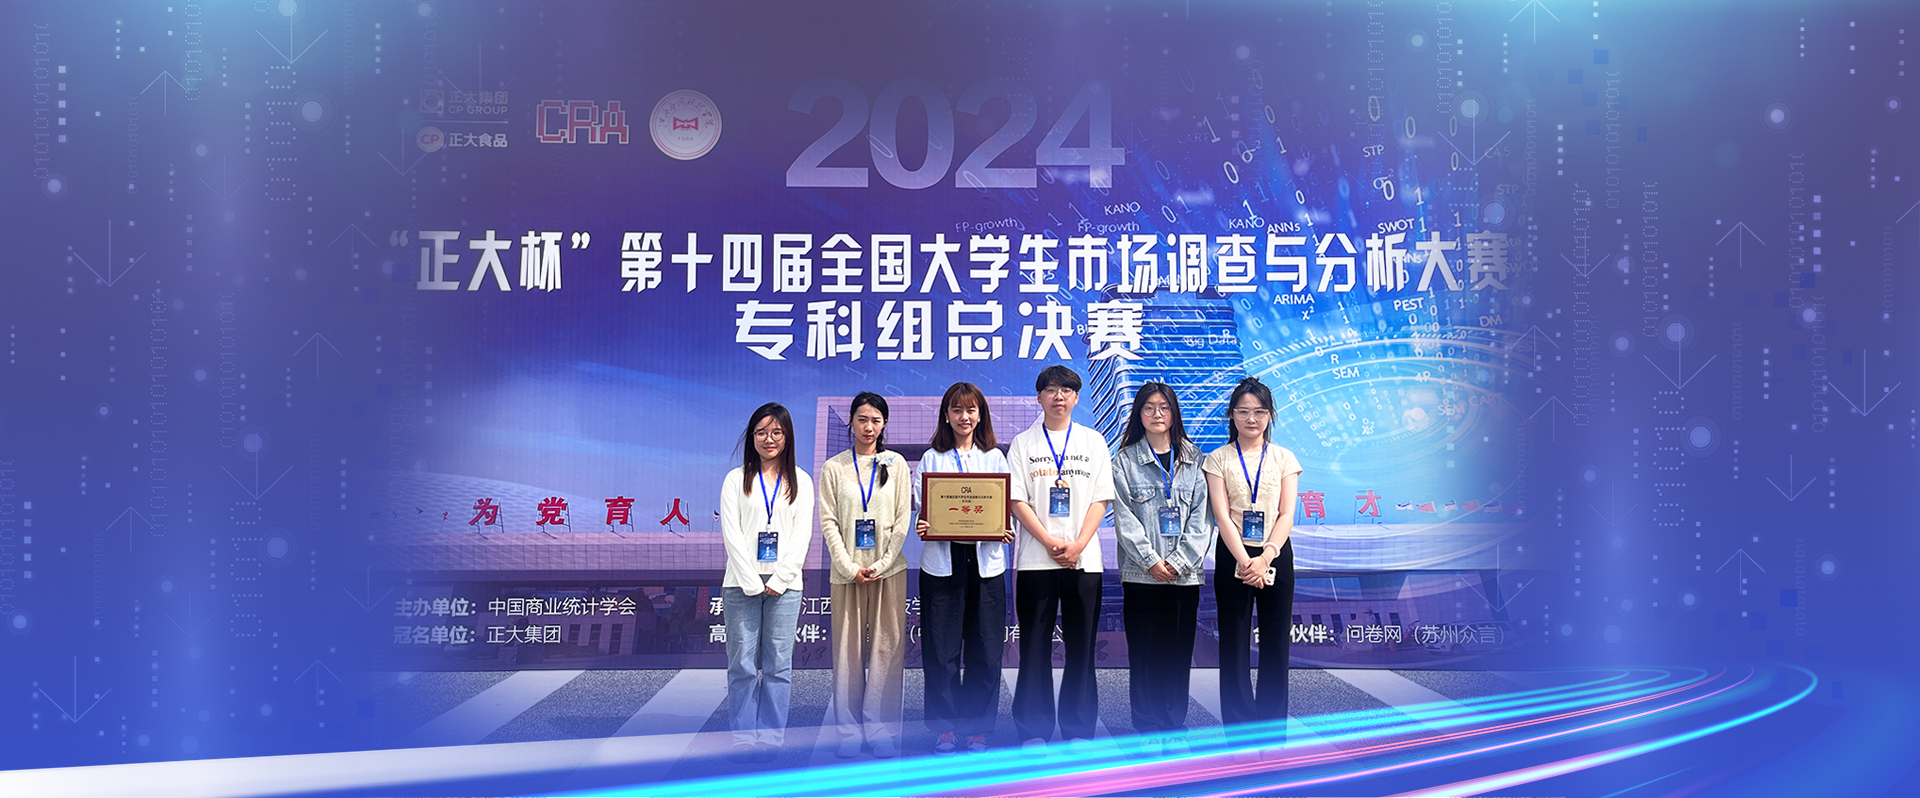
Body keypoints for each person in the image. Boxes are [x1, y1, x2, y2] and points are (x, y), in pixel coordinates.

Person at [1006, 365, 1114, 749]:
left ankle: (1078, 728)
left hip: (1084, 561)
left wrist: (1078, 544)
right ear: (1039, 397)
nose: (1058, 397)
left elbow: (1101, 499)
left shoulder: (1093, 441)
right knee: (1034, 646)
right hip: (1036, 560)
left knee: (1081, 646)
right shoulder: (1023, 444)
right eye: (1051, 390)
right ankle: (1033, 729)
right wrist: (1050, 541)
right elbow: (1017, 500)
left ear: (1076, 397)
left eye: (1066, 390)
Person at [1110, 382, 1213, 755]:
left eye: (1164, 407)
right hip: (1142, 576)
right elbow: (1124, 519)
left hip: (1185, 577)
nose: (1157, 414)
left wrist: (1180, 560)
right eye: (1149, 407)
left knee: (1177, 651)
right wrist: (1151, 561)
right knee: (1145, 651)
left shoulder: (1196, 460)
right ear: (1138, 414)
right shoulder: (1123, 462)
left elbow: (1203, 519)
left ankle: (1173, 721)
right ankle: (1147, 723)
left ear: (1174, 414)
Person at [913, 382, 1013, 754]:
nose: (964, 417)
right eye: (957, 410)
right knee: (941, 650)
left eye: (971, 410)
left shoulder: (995, 458)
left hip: (986, 565)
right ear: (946, 415)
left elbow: (1005, 508)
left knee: (985, 649)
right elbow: (922, 509)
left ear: (980, 415)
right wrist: (923, 524)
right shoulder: (931, 458)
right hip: (942, 564)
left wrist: (1004, 528)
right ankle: (944, 728)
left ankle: (976, 728)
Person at [1202, 377, 1301, 744]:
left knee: (1276, 643)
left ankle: (1272, 733)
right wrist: (1246, 561)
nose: (1251, 419)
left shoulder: (1284, 458)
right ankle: (1241, 733)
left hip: (1276, 552)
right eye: (1243, 411)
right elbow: (1222, 515)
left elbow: (1287, 514)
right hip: (1234, 553)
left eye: (1259, 411)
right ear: (1232, 415)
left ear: (1270, 415)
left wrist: (1266, 557)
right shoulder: (1218, 459)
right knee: (1233, 642)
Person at [718, 402, 814, 764]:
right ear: (752, 437)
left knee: (778, 665)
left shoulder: (801, 480)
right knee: (742, 664)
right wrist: (751, 581)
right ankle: (743, 736)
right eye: (761, 432)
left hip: (785, 587)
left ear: (787, 437)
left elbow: (802, 536)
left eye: (776, 432)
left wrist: (780, 578)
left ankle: (772, 736)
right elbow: (731, 534)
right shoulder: (735, 479)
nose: (768, 439)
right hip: (740, 584)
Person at [817, 392, 912, 759]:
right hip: (848, 572)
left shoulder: (896, 464)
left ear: (884, 423)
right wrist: (847, 566)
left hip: (890, 570)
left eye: (875, 420)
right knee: (847, 653)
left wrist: (883, 562)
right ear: (851, 422)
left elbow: (902, 518)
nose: (868, 427)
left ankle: (881, 729)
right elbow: (828, 521)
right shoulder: (834, 467)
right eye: (862, 419)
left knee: (887, 649)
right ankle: (848, 732)